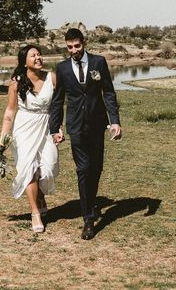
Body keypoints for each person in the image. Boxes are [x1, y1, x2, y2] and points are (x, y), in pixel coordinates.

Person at [49, 28, 122, 240]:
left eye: (77, 46)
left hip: (97, 124)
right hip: (75, 126)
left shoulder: (99, 63)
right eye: (70, 47)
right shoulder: (62, 68)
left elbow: (108, 92)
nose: (74, 51)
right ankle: (88, 218)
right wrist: (55, 128)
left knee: (96, 168)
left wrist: (114, 121)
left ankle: (90, 202)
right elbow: (57, 100)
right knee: (83, 169)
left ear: (84, 43)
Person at [0, 45, 59, 233]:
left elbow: (58, 106)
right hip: (24, 130)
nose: (38, 57)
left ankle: (41, 195)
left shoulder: (52, 78)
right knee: (29, 168)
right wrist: (3, 138)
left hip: (46, 127)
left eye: (39, 54)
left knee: (48, 168)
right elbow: (10, 111)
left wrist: (58, 128)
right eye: (33, 55)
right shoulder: (16, 82)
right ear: (24, 61)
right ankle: (35, 212)